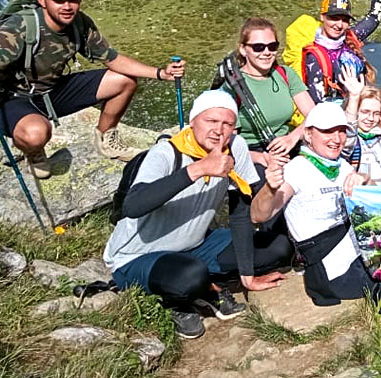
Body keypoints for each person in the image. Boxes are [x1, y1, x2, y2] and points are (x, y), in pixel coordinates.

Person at [104, 91, 293, 338]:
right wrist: (197, 169)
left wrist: (248, 277)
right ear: (193, 122)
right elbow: (134, 206)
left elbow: (239, 213)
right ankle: (185, 297)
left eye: (227, 124)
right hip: (137, 254)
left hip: (195, 244)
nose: (218, 131)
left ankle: (203, 282)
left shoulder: (235, 149)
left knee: (278, 247)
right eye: (210, 121)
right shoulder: (166, 153)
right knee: (190, 277)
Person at [0, 0, 185, 176]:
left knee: (124, 81)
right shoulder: (21, 26)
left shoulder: (79, 23)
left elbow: (113, 59)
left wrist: (160, 73)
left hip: (53, 91)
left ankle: (106, 138)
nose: (67, 6)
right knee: (37, 133)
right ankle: (34, 153)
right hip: (13, 99)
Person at [251, 101, 375, 306]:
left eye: (342, 131)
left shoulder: (342, 166)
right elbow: (259, 215)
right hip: (329, 264)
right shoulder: (296, 169)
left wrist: (364, 180)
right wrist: (269, 188)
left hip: (353, 248)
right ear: (308, 135)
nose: (337, 139)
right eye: (328, 132)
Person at [222, 17, 315, 169]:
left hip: (287, 145)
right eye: (258, 47)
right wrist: (262, 158)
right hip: (251, 153)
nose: (266, 52)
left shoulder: (286, 74)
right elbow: (227, 143)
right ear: (243, 49)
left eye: (272, 46)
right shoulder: (233, 86)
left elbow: (314, 115)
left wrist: (293, 137)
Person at [302, 0, 381, 104]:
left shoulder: (350, 38)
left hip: (363, 112)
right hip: (339, 119)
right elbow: (318, 102)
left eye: (344, 20)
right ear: (322, 17)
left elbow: (374, 18)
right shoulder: (315, 56)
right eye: (334, 18)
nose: (339, 25)